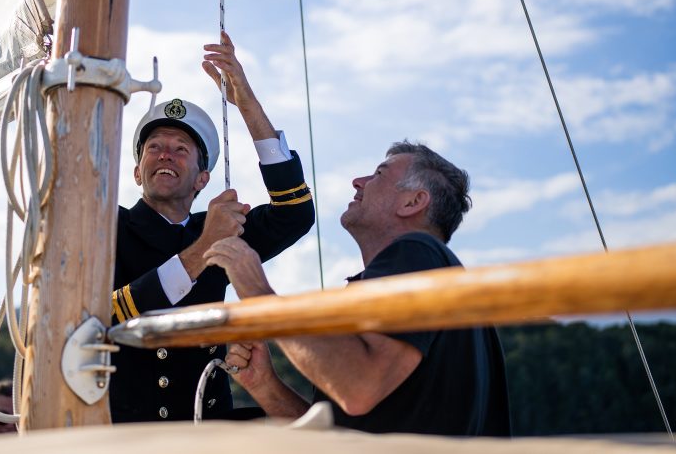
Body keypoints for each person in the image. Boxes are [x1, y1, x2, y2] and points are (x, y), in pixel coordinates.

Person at [204, 141, 511, 436]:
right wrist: (265, 385)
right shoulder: (431, 273)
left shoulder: (417, 251)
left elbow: (361, 387)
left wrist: (258, 293)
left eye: (378, 174)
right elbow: (337, 438)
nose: (357, 181)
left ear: (413, 202)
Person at [108, 32, 315, 423]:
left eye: (181, 149)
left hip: (210, 431)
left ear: (202, 179)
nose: (165, 153)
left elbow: (295, 212)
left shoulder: (218, 228)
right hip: (128, 436)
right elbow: (113, 314)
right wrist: (206, 247)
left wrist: (246, 105)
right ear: (138, 172)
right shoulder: (106, 224)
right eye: (154, 147)